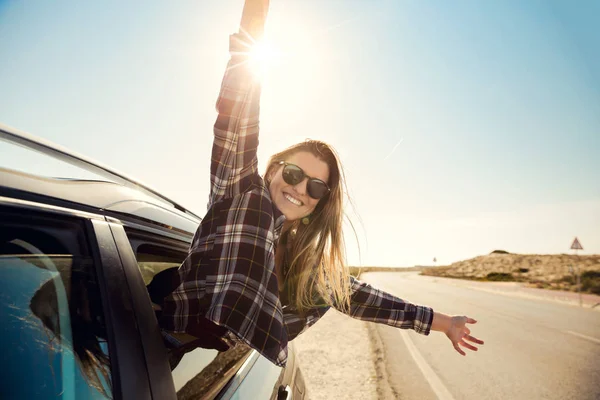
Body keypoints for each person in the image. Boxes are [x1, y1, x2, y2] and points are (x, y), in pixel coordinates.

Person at [155, 0, 483, 367]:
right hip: (163, 361)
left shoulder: (308, 268)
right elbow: (239, 110)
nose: (299, 189)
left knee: (329, 285)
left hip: (227, 369)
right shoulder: (240, 195)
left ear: (320, 202)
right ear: (274, 169)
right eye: (294, 174)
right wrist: (257, 14)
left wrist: (443, 324)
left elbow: (360, 298)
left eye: (315, 187)